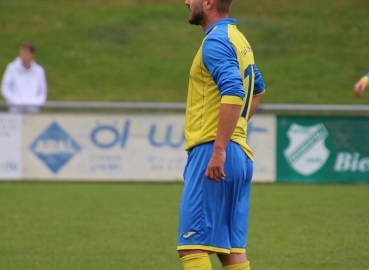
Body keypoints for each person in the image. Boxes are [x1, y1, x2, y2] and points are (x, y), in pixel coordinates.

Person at [177, 0, 266, 269]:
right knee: (231, 251)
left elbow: (235, 91)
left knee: (191, 246)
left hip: (213, 153)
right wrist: (234, 131)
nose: (186, 2)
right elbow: (258, 89)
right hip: (238, 154)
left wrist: (219, 147)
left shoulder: (215, 41)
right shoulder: (238, 39)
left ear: (209, 2)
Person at [1, 42, 47, 113]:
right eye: (21, 53)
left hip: (33, 112)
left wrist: (34, 103)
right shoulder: (12, 68)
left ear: (32, 55)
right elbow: (5, 88)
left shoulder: (39, 71)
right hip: (15, 111)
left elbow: (42, 93)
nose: (23, 56)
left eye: (26, 53)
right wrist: (16, 102)